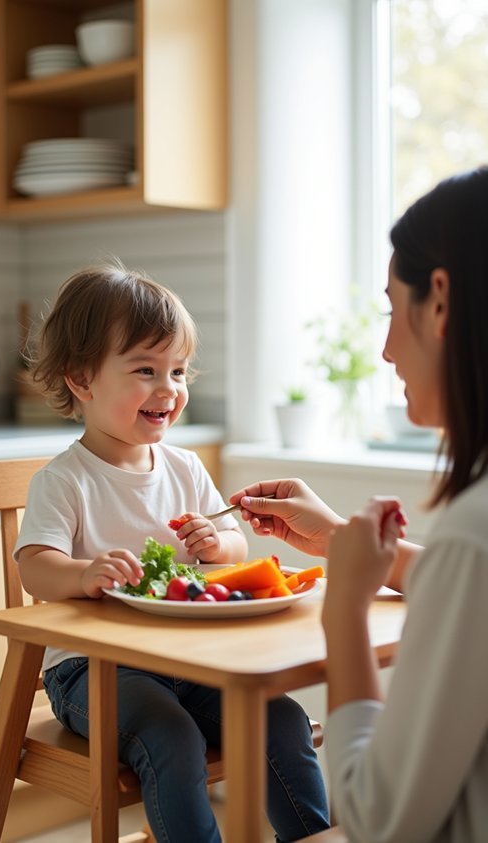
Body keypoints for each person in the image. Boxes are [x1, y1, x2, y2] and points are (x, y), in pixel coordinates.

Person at [15, 260, 330, 842]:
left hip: (190, 662)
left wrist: (220, 542)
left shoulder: (185, 467)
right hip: (92, 672)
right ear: (82, 380)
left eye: (179, 371)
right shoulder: (65, 480)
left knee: (281, 718)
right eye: (145, 369)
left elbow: (233, 548)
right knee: (172, 737)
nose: (170, 389)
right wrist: (84, 573)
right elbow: (35, 566)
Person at [230, 167, 488, 842]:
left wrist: (343, 607)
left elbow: (376, 819)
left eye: (387, 310)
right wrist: (340, 543)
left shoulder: (473, 530)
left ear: (439, 301)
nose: (382, 348)